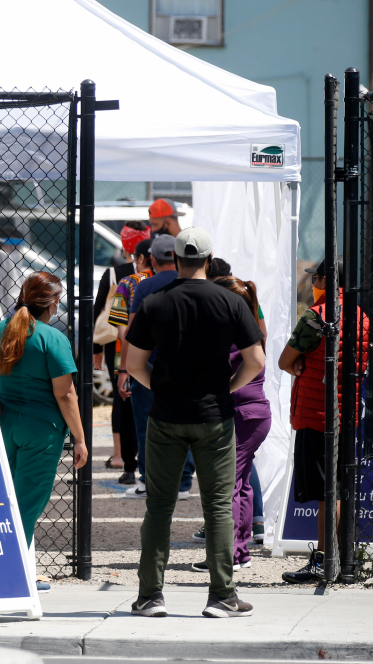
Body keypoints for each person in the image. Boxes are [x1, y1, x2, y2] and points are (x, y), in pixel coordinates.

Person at [124, 227, 265, 618]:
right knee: (218, 506)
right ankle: (222, 596)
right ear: (207, 258)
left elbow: (133, 364)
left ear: (175, 260)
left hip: (166, 415)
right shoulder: (230, 302)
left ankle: (150, 596)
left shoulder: (153, 302)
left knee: (159, 507)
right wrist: (228, 389)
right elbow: (256, 361)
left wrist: (161, 388)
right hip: (214, 416)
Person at [0, 272, 89, 591]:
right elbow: (65, 394)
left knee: (5, 497)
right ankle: (9, 574)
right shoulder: (53, 339)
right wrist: (79, 438)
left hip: (6, 423)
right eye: (59, 300)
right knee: (27, 503)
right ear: (51, 302)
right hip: (43, 430)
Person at [278, 257, 369, 584]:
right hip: (347, 417)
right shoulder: (361, 318)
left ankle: (321, 559)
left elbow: (284, 360)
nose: (312, 283)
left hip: (315, 414)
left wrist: (299, 364)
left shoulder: (317, 317)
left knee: (323, 492)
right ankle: (344, 560)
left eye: (315, 278)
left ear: (325, 281)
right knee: (340, 488)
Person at [190, 276, 271, 574]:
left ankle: (230, 555)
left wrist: (225, 388)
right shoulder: (250, 330)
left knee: (227, 486)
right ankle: (240, 550)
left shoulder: (232, 336)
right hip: (255, 414)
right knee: (242, 483)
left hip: (242, 414)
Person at [117, 235, 196, 500]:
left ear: (151, 259)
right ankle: (183, 482)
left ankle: (148, 480)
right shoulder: (192, 283)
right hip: (186, 365)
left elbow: (132, 330)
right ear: (176, 256)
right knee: (184, 423)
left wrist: (124, 369)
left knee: (146, 423)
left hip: (149, 365)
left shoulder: (144, 286)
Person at [94, 221, 150, 478]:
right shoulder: (171, 281)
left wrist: (96, 349)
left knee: (124, 400)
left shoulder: (122, 279)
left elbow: (107, 320)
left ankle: (123, 459)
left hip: (121, 350)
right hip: (159, 352)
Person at [105, 236, 154, 485]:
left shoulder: (127, 283)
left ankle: (129, 467)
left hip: (127, 359)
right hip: (160, 358)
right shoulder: (167, 282)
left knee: (127, 414)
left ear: (142, 258)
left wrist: (123, 366)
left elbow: (120, 327)